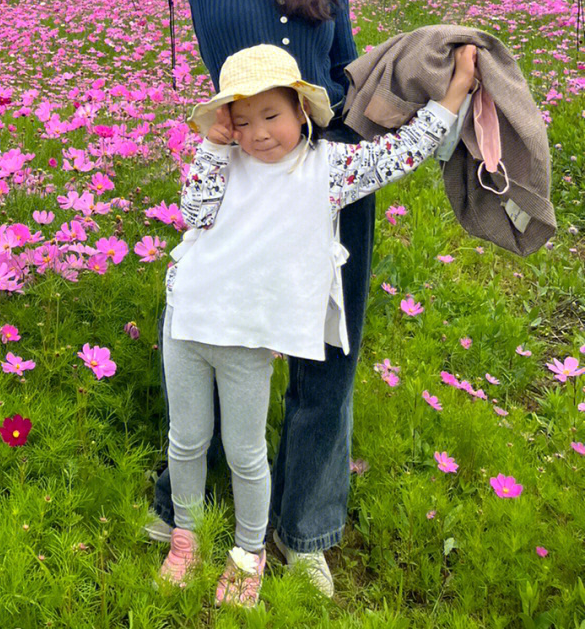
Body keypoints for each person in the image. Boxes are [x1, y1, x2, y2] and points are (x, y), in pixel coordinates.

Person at [139, 0, 362, 597]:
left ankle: (303, 531)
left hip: (321, 180)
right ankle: (182, 508)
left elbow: (345, 79)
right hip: (236, 179)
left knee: (325, 356)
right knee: (211, 322)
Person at [159, 43, 478, 605]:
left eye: (272, 115)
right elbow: (194, 213)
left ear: (301, 111)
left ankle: (248, 551)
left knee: (245, 451)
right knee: (185, 442)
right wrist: (210, 151)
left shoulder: (327, 168)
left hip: (248, 336)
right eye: (244, 119)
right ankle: (184, 537)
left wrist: (451, 99)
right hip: (188, 319)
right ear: (228, 123)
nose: (259, 133)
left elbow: (396, 155)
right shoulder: (224, 161)